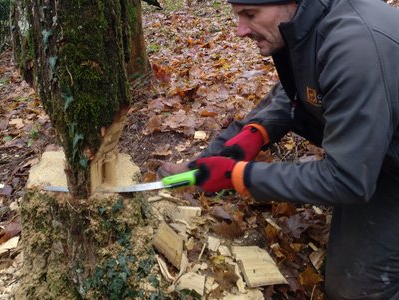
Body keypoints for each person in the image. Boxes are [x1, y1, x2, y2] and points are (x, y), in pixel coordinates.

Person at [159, 0, 399, 298]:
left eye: (250, 15)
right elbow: (298, 91)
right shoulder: (308, 22)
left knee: (354, 291)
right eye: (237, 15)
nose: (240, 30)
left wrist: (241, 176)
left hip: (384, 166)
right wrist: (254, 134)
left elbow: (348, 179)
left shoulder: (354, 49)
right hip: (375, 150)